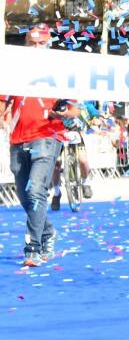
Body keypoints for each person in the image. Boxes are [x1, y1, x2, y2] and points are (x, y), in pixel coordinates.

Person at [0, 25, 81, 267]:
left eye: (41, 43)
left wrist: (64, 113)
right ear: (26, 44)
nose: (36, 47)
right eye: (32, 43)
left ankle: (32, 249)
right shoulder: (13, 71)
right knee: (24, 196)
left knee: (36, 191)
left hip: (47, 136)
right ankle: (48, 232)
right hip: (18, 138)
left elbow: (75, 109)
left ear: (48, 45)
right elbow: (3, 102)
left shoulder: (60, 71)